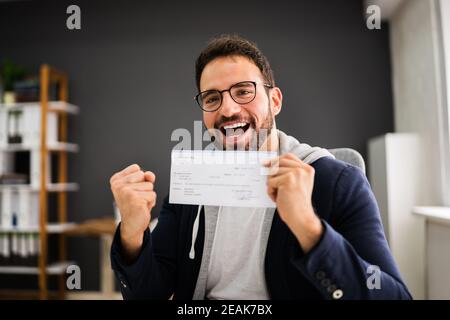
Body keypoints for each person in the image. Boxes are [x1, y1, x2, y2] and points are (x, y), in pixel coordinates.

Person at [109, 34, 412, 300]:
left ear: (275, 100)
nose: (228, 109)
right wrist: (133, 234)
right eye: (212, 98)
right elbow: (149, 293)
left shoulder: (339, 181)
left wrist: (309, 228)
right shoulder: (192, 185)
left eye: (243, 91)